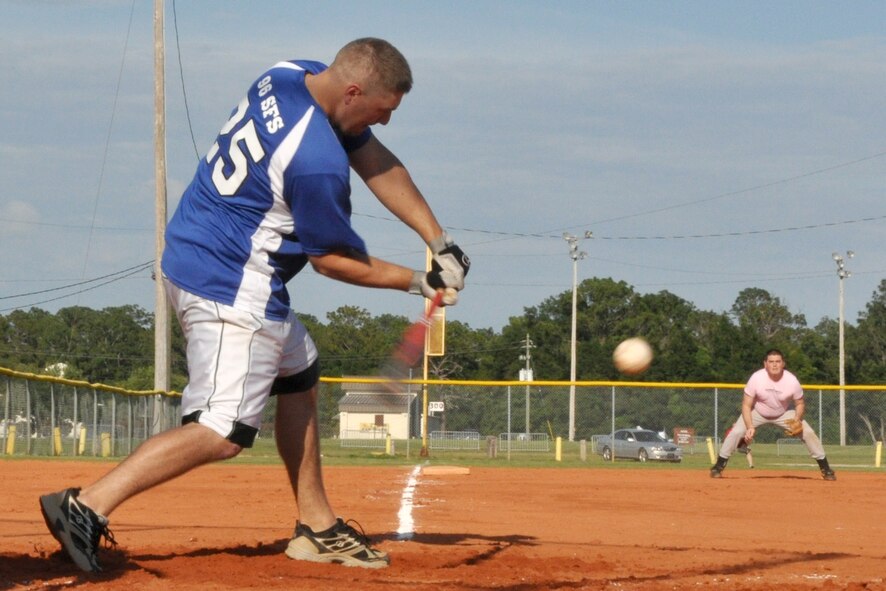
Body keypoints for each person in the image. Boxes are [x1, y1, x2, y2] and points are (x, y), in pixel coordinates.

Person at [39, 38, 470, 573]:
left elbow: (373, 157)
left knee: (299, 371)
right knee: (222, 431)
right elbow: (332, 260)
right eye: (382, 111)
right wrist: (418, 281)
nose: (384, 123)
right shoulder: (314, 161)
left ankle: (316, 525)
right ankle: (86, 505)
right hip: (230, 285)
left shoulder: (291, 75)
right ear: (354, 91)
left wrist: (438, 239)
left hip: (197, 250)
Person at [710, 348, 835, 481]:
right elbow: (746, 405)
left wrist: (797, 419)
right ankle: (718, 466)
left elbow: (800, 404)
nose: (774, 364)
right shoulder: (756, 378)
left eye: (777, 361)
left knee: (808, 433)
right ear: (765, 364)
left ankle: (825, 468)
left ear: (783, 363)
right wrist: (750, 426)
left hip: (783, 413)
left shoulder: (792, 381)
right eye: (771, 361)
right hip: (757, 412)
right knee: (736, 432)